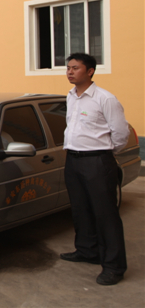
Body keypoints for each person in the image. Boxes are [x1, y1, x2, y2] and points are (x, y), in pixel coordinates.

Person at [61, 53, 130, 286]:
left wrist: (104, 153)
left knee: (105, 214)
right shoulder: (71, 96)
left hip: (97, 162)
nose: (70, 72)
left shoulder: (105, 99)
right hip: (73, 160)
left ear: (90, 71)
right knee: (80, 209)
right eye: (68, 68)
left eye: (75, 68)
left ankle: (114, 266)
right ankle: (87, 250)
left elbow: (120, 134)